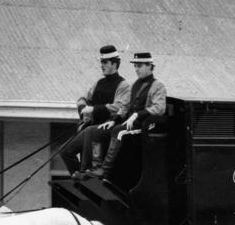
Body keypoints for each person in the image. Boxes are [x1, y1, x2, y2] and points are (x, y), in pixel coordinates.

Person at [86, 52, 167, 180]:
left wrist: (137, 115)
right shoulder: (135, 84)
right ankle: (96, 167)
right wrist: (113, 120)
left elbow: (160, 108)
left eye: (139, 66)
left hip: (146, 127)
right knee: (99, 131)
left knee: (119, 132)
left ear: (149, 66)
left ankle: (105, 170)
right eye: (135, 66)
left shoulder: (158, 86)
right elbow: (125, 106)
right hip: (129, 124)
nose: (136, 69)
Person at [60, 45, 131, 179]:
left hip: (110, 127)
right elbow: (83, 99)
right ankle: (78, 176)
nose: (101, 65)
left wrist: (93, 109)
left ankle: (85, 172)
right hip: (93, 127)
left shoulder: (124, 85)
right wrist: (83, 111)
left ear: (114, 63)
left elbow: (118, 107)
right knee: (65, 151)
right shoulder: (99, 82)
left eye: (105, 62)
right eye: (101, 62)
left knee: (90, 131)